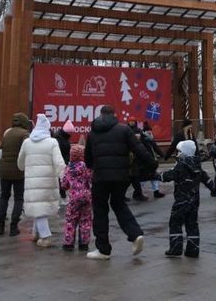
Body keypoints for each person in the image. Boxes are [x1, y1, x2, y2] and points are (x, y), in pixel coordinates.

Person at [84, 105, 157, 260]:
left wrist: (95, 165)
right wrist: (152, 165)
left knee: (100, 211)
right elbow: (139, 149)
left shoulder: (92, 133)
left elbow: (88, 160)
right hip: (121, 176)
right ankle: (135, 234)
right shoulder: (124, 130)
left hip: (100, 178)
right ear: (115, 115)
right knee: (119, 205)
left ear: (101, 115)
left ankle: (103, 250)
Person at [155, 140, 216, 257]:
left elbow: (168, 176)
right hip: (194, 201)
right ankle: (193, 249)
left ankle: (176, 248)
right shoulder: (197, 166)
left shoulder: (181, 166)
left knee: (175, 222)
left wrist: (156, 175)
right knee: (192, 224)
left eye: (179, 151)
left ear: (184, 152)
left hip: (181, 201)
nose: (177, 154)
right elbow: (207, 180)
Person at [17, 113, 66, 248]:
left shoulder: (27, 143)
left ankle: (40, 234)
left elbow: (20, 164)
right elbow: (59, 163)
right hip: (48, 181)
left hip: (32, 182)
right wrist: (65, 178)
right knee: (40, 208)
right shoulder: (52, 142)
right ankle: (44, 236)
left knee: (37, 207)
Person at [0, 112, 30, 237]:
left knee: (4, 197)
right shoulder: (24, 134)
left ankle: (0, 225)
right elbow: (27, 150)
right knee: (18, 198)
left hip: (4, 170)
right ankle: (13, 227)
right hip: (18, 171)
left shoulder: (8, 133)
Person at [61, 144, 92, 251]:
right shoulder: (85, 166)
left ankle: (68, 243)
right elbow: (91, 178)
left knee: (71, 219)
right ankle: (84, 243)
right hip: (86, 196)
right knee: (85, 220)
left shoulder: (68, 167)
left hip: (74, 198)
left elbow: (64, 185)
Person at [140, 121, 166, 199]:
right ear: (144, 131)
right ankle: (140, 192)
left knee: (154, 177)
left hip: (152, 162)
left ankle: (156, 191)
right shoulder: (142, 140)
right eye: (148, 131)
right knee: (143, 179)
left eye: (150, 130)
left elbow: (156, 148)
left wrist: (163, 156)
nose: (150, 132)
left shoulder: (150, 139)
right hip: (145, 162)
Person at [55, 120, 74, 199]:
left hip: (61, 161)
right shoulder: (61, 140)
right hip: (60, 161)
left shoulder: (60, 137)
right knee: (60, 179)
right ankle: (62, 196)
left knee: (60, 179)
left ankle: (62, 195)